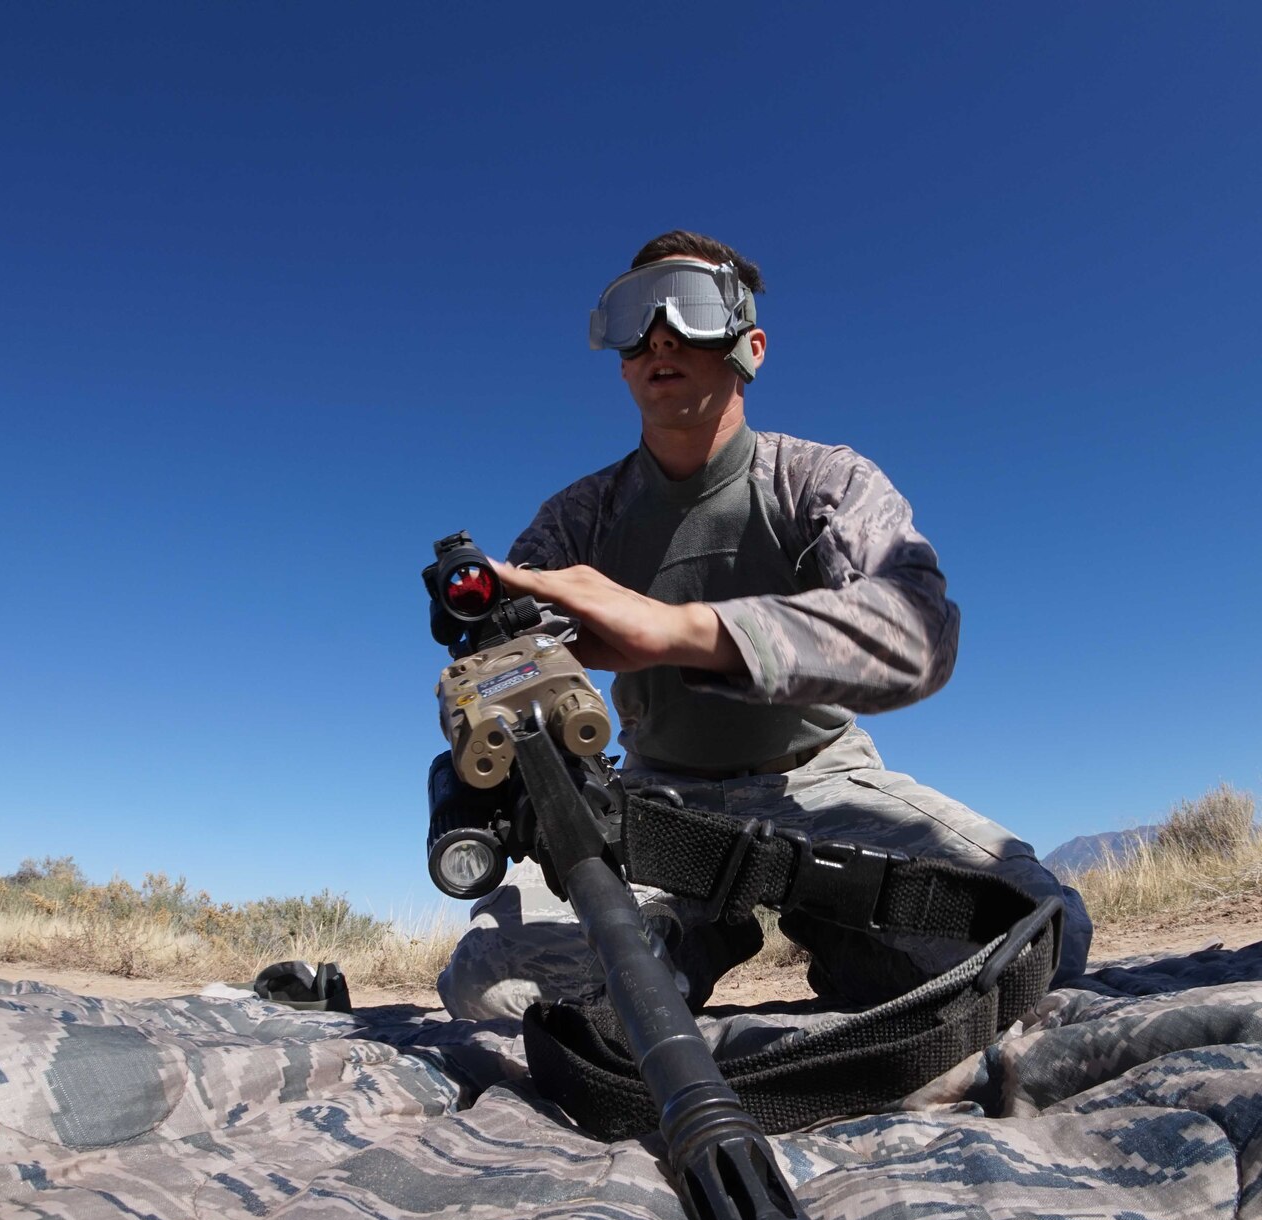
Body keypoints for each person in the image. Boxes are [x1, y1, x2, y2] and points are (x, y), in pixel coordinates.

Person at [436, 230, 1091, 1021]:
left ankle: (838, 922)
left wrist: (678, 631)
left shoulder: (818, 479)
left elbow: (920, 629)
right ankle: (695, 936)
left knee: (1039, 935)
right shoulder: (580, 518)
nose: (660, 338)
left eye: (690, 307)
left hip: (821, 782)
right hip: (652, 805)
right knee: (492, 984)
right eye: (633, 318)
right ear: (616, 359)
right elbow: (512, 668)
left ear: (750, 345)